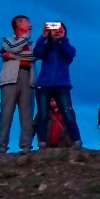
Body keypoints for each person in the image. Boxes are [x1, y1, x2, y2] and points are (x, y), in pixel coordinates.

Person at [34, 21, 80, 150]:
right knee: (42, 114)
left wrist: (62, 39)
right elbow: (37, 54)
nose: (56, 31)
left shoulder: (68, 46)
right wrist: (43, 36)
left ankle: (76, 141)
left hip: (62, 85)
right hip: (44, 84)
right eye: (53, 29)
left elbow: (69, 54)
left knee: (68, 113)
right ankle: (42, 142)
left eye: (60, 29)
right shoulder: (45, 45)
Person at [0, 15, 36, 154]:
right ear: (19, 23)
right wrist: (24, 38)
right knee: (6, 113)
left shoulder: (32, 44)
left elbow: (33, 56)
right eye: (27, 22)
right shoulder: (7, 39)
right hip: (10, 79)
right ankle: (2, 145)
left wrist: (12, 56)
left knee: (27, 113)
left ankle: (26, 145)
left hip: (28, 78)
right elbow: (12, 47)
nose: (30, 25)